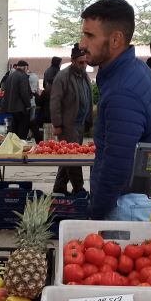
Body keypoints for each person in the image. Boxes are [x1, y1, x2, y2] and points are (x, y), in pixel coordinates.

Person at [79, 0, 151, 221]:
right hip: (137, 197)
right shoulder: (137, 69)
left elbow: (117, 165)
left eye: (89, 35)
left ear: (115, 40)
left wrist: (96, 212)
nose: (82, 44)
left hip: (124, 206)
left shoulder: (122, 90)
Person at [50, 45, 93, 195]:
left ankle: (59, 187)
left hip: (80, 124)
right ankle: (78, 188)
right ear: (73, 61)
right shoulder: (62, 76)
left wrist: (89, 119)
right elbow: (55, 101)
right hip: (68, 125)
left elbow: (88, 96)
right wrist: (57, 124)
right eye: (81, 62)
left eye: (85, 62)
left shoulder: (83, 75)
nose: (84, 65)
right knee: (74, 158)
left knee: (68, 158)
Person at [2, 60, 33, 139]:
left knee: (15, 128)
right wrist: (28, 105)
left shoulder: (11, 75)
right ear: (24, 67)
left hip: (12, 107)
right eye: (27, 68)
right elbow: (24, 92)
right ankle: (21, 145)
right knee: (23, 129)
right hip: (21, 108)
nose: (27, 70)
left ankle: (15, 146)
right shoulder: (23, 76)